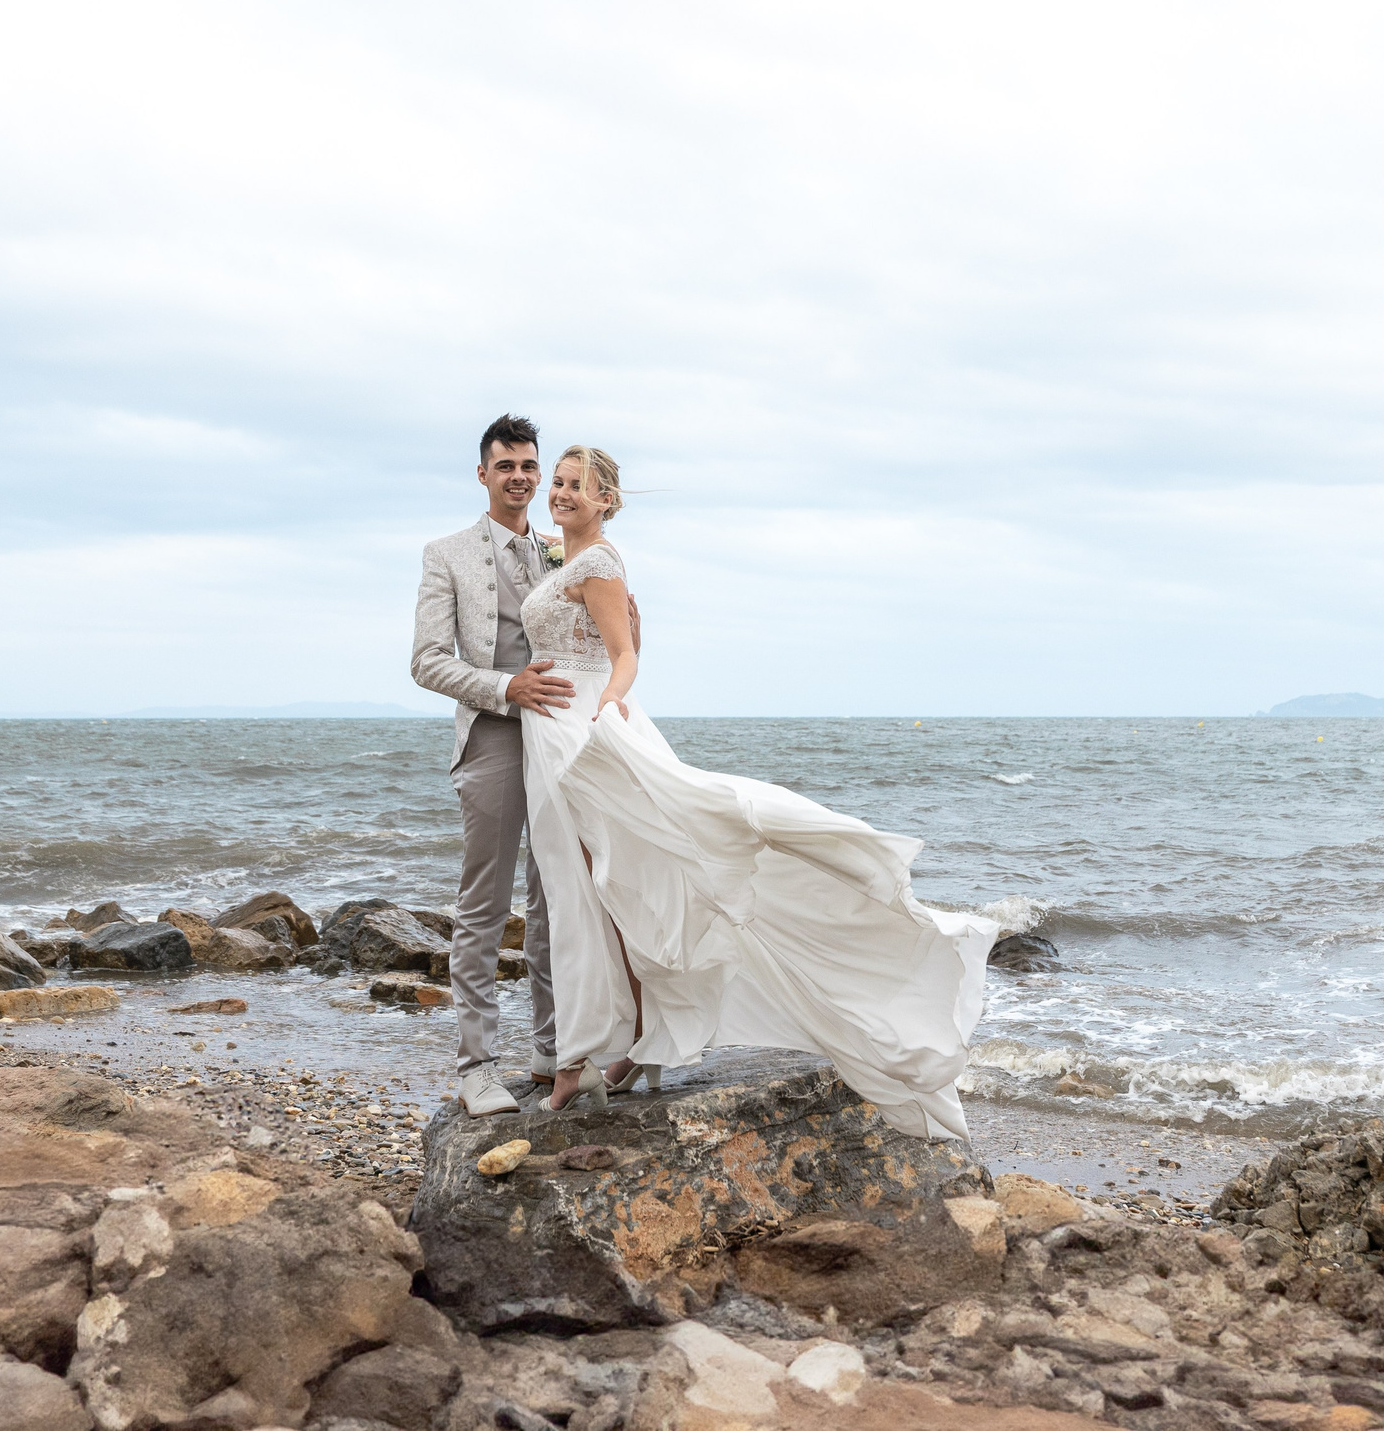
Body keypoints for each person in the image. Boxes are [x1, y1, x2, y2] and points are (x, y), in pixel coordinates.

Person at [519, 444, 996, 1139]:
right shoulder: (565, 557)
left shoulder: (599, 561)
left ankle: (581, 1058)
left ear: (606, 500)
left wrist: (606, 712)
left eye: (576, 486)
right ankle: (624, 1045)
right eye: (557, 483)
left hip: (579, 733)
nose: (560, 493)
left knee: (596, 887)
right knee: (595, 890)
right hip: (550, 729)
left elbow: (625, 656)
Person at [409, 414, 572, 1117]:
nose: (520, 477)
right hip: (495, 739)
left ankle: (553, 1046)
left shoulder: (564, 549)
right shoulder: (446, 553)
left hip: (561, 740)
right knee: (484, 906)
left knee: (558, 898)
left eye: (529, 465)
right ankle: (477, 1065)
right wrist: (507, 687)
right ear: (484, 474)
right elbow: (426, 661)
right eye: (506, 465)